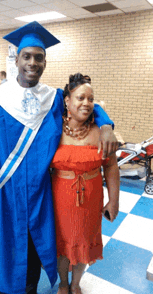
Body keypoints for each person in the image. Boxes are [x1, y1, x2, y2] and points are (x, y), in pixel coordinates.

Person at [0, 21, 118, 294]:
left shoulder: (53, 98)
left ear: (45, 62)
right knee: (3, 244)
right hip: (2, 189)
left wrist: (105, 124)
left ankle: (31, 287)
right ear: (16, 59)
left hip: (40, 191)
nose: (32, 62)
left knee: (34, 244)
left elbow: (86, 107)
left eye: (39, 58)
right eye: (26, 56)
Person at [51, 73, 120, 294]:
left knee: (83, 244)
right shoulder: (53, 130)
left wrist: (114, 201)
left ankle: (75, 283)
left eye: (91, 99)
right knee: (62, 245)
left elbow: (110, 167)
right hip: (60, 197)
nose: (87, 103)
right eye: (80, 98)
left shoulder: (102, 133)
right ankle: (63, 283)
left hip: (90, 198)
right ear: (67, 101)